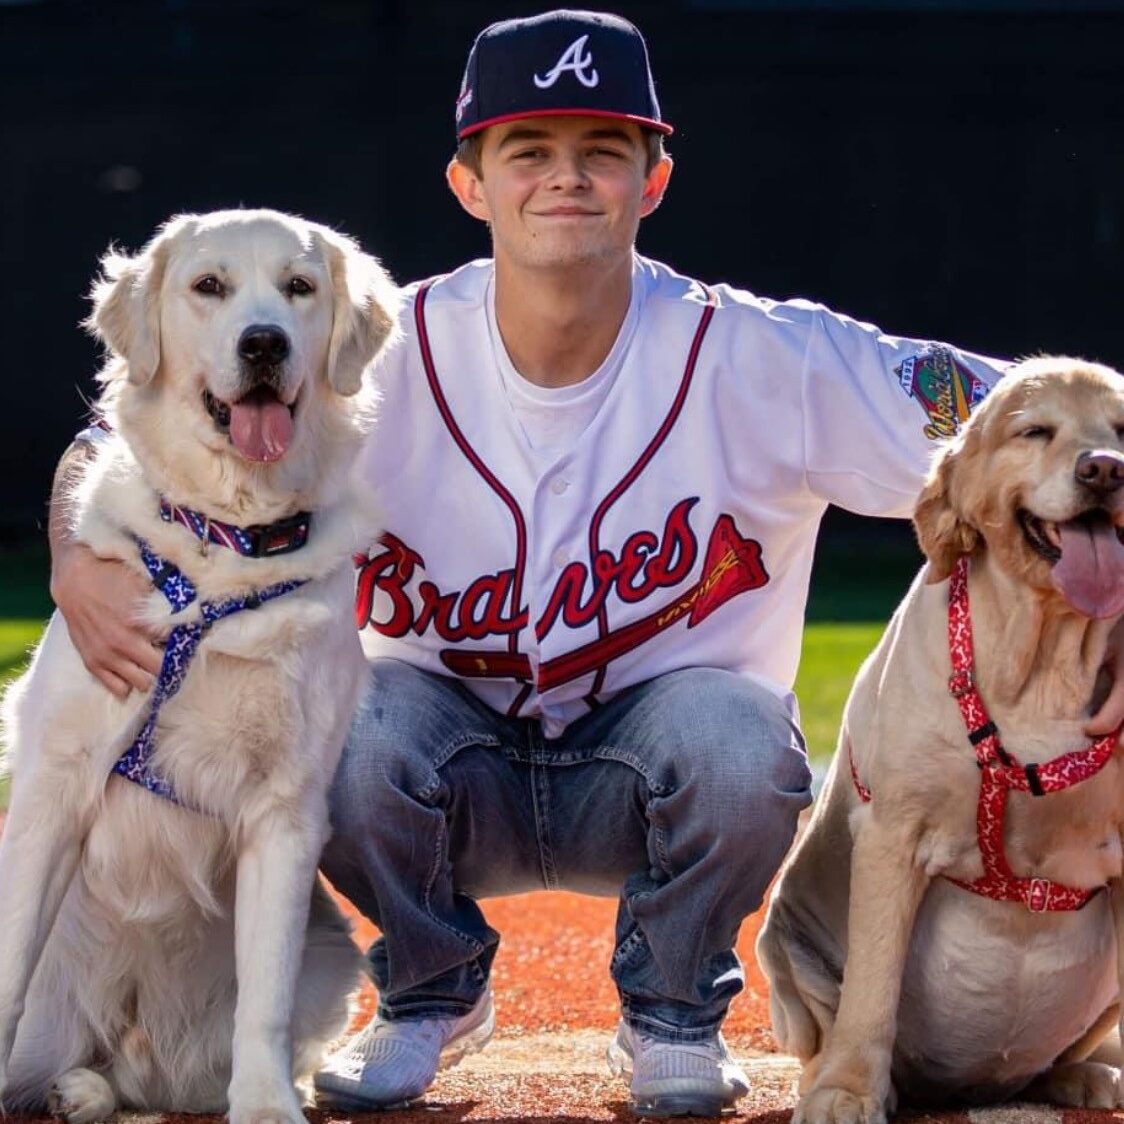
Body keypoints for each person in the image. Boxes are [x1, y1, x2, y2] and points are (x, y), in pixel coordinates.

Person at [47, 8, 1124, 1118]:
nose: (565, 179)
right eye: (528, 152)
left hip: (663, 773)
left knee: (739, 737)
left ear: (653, 178)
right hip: (432, 770)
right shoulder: (378, 346)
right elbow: (125, 427)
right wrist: (73, 554)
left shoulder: (768, 355)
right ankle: (429, 987)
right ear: (470, 183)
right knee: (337, 716)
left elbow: (1029, 423)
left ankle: (668, 1011)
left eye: (601, 152)